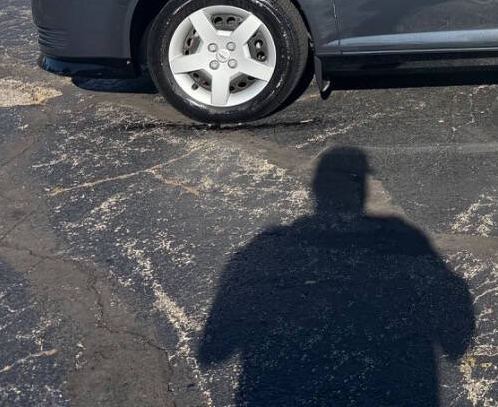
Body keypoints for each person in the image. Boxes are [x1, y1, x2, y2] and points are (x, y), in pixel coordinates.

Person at [199, 147, 475, 406]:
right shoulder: (403, 240)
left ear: (317, 190)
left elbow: (214, 350)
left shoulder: (265, 249)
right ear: (361, 189)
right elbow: (456, 339)